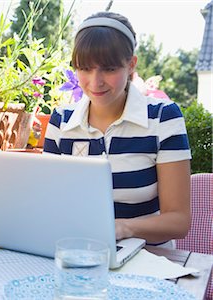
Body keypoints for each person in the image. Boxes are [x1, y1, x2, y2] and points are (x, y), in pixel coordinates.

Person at [43, 12, 191, 248]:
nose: (95, 81)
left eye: (109, 69)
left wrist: (122, 228)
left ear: (131, 64)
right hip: (80, 252)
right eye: (85, 68)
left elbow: (178, 222)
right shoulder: (61, 122)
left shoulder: (162, 118)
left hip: (149, 258)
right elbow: (48, 204)